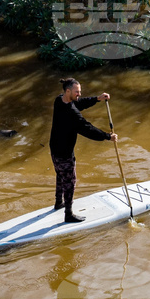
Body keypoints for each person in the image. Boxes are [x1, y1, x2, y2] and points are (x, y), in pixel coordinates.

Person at [49, 77, 119, 223]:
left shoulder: (59, 100)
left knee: (60, 175)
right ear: (68, 91)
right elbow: (88, 129)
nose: (79, 94)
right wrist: (107, 136)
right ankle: (68, 214)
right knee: (70, 181)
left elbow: (79, 103)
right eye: (77, 92)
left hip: (54, 147)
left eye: (79, 92)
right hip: (64, 152)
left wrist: (97, 99)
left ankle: (58, 203)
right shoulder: (72, 114)